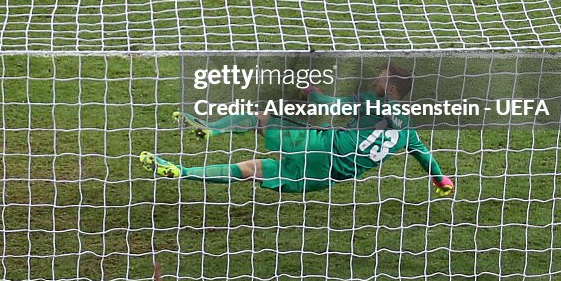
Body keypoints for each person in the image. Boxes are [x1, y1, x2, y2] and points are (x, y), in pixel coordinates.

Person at [140, 65, 455, 196]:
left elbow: (329, 106)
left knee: (261, 120)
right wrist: (441, 180)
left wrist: (311, 92)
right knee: (250, 170)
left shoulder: (374, 102)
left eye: (382, 78)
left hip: (324, 146)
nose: (376, 79)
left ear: (393, 91)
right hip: (326, 177)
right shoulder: (410, 131)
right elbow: (425, 156)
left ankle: (210, 131)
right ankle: (180, 171)